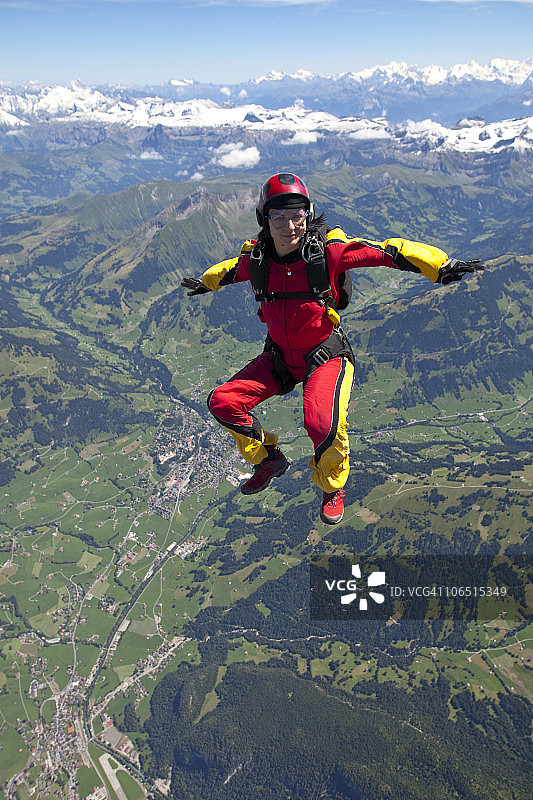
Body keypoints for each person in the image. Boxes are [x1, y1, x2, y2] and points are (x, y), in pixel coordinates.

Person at [181, 172, 484, 524]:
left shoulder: (326, 253)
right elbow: (232, 269)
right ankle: (269, 459)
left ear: (308, 215)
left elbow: (386, 252)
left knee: (322, 423)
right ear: (265, 221)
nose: (290, 226)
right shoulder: (259, 260)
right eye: (279, 218)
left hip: (325, 356)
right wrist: (205, 283)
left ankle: (332, 486)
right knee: (223, 402)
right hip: (279, 359)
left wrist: (440, 266)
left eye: (297, 216)